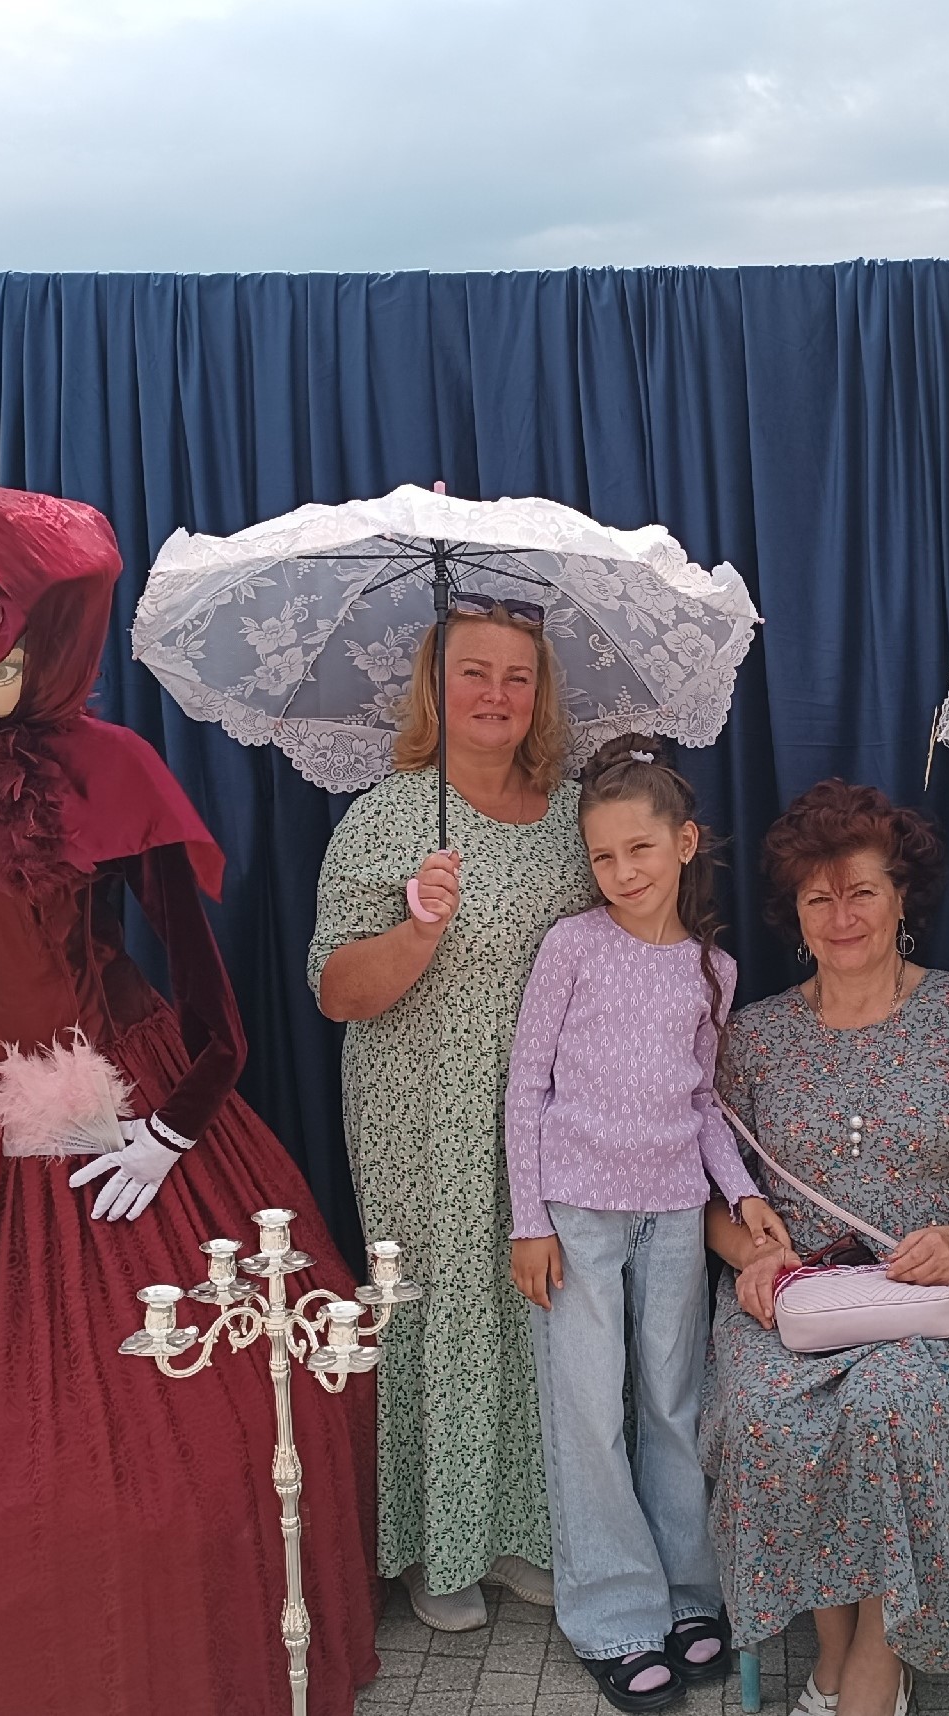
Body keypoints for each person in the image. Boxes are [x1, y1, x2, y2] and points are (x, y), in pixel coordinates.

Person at [0, 486, 376, 1716]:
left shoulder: (111, 772)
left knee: (208, 1430)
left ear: (54, 642)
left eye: (3, 654)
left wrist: (172, 1130)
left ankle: (184, 1656)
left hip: (121, 1098)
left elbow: (217, 1015)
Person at [704, 781, 949, 1716]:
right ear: (794, 915)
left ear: (903, 898)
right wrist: (750, 1254)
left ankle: (873, 1657)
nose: (843, 916)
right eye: (818, 898)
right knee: (769, 1417)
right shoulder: (755, 1037)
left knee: (897, 1402)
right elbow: (709, 1195)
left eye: (862, 891)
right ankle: (840, 1648)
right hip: (803, 1301)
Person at [308, 595, 596, 1630]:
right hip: (420, 1111)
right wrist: (418, 931)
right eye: (474, 671)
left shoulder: (576, 815)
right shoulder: (387, 819)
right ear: (435, 687)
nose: (496, 694)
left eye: (519, 676)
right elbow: (335, 991)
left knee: (540, 1315)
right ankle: (441, 1545)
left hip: (551, 1114)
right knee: (438, 1314)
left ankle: (526, 1535)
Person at [504, 736, 785, 1711]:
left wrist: (740, 1194)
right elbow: (527, 1088)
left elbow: (703, 1106)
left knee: (673, 1406)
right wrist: (528, 1220)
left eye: (639, 849)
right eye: (602, 856)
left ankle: (690, 1595)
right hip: (575, 1215)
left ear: (684, 842)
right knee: (587, 1411)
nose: (622, 872)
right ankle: (615, 1617)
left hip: (672, 1217)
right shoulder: (572, 946)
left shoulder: (714, 970)